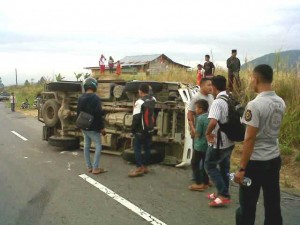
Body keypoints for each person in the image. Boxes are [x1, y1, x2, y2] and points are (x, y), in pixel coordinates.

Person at [234, 64, 285, 225]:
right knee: (272, 203)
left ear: (255, 79)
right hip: (274, 158)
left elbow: (249, 138)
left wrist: (242, 168)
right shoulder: (280, 102)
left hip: (255, 162)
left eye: (251, 78)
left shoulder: (254, 105)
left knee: (247, 207)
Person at [205, 75, 235, 207]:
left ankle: (223, 195)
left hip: (219, 141)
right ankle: (222, 192)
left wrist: (207, 133)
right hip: (230, 140)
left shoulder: (217, 102)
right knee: (224, 167)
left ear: (214, 86)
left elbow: (213, 121)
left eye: (211, 85)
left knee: (210, 165)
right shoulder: (230, 97)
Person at [77, 77, 106, 174]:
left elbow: (78, 113)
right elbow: (98, 114)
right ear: (94, 86)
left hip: (84, 126)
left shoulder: (80, 98)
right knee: (98, 145)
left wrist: (80, 126)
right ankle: (95, 168)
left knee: (86, 146)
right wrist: (101, 128)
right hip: (93, 127)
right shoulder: (95, 98)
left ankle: (89, 167)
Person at [128, 83, 156, 177]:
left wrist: (132, 131)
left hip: (141, 129)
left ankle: (139, 167)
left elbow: (136, 118)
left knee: (137, 148)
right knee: (147, 148)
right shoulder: (153, 100)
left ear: (140, 91)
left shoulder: (139, 102)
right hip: (150, 128)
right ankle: (145, 166)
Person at [189, 99, 210, 191]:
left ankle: (199, 183)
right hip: (207, 145)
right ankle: (206, 182)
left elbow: (197, 134)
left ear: (201, 109)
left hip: (199, 145)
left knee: (194, 163)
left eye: (196, 108)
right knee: (205, 164)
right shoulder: (209, 116)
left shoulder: (200, 118)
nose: (195, 110)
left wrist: (191, 126)